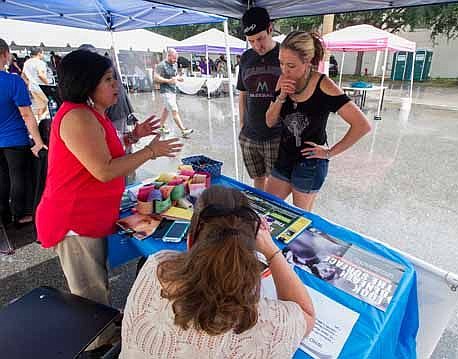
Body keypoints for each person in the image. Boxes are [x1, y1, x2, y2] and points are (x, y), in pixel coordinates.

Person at [35, 49, 183, 350]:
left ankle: (103, 324)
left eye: (114, 77)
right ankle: (99, 343)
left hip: (89, 214)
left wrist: (132, 137)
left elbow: (103, 152)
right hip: (74, 219)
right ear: (88, 83)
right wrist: (151, 151)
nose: (116, 85)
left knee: (96, 281)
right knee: (89, 289)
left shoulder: (91, 114)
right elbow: (103, 169)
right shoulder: (77, 116)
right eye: (108, 79)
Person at [120, 186, 315, 358]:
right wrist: (272, 251)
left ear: (190, 240)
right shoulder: (270, 325)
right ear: (249, 254)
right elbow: (306, 314)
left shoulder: (157, 266)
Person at [265, 31, 371, 211]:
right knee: (267, 207)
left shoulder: (324, 85)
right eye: (281, 63)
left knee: (300, 219)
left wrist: (330, 152)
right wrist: (282, 96)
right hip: (283, 158)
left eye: (291, 65)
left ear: (307, 62)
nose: (284, 70)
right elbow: (269, 121)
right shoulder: (282, 80)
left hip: (310, 163)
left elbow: (362, 125)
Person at [0, 39, 47, 226]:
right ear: (4, 53)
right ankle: (18, 215)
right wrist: (37, 141)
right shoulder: (12, 81)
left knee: (1, 178)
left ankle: (4, 216)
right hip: (15, 139)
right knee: (16, 177)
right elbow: (27, 114)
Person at [237, 7, 282, 190]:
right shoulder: (246, 58)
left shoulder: (284, 55)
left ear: (270, 29)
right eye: (251, 41)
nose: (257, 45)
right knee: (257, 180)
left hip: (276, 136)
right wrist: (242, 124)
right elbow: (242, 93)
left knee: (276, 186)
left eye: (260, 38)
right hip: (249, 135)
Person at [154, 49, 193, 137]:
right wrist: (168, 81)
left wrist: (178, 78)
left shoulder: (174, 65)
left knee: (166, 109)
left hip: (172, 91)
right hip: (166, 92)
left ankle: (161, 127)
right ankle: (183, 130)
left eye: (176, 59)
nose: (175, 61)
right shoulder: (161, 65)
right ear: (169, 56)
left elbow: (174, 77)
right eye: (174, 58)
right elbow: (156, 78)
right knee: (174, 110)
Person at [22, 47, 49, 120]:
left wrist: (28, 83)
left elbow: (23, 76)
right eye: (42, 53)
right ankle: (41, 120)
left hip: (32, 87)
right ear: (39, 53)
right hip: (41, 87)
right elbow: (40, 74)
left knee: (41, 105)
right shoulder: (40, 62)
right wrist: (48, 83)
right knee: (46, 104)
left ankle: (40, 121)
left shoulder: (27, 63)